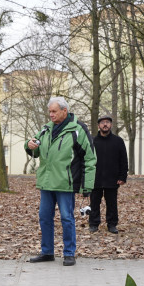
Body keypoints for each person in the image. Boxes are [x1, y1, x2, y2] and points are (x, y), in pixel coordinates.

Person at [26, 97, 95, 266]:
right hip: (47, 183)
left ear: (65, 111)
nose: (51, 115)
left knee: (66, 218)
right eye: (49, 111)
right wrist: (29, 146)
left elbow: (90, 158)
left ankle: (69, 253)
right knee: (44, 217)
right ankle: (47, 252)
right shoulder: (45, 130)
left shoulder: (78, 130)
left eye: (54, 111)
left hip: (66, 184)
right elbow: (34, 149)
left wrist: (87, 186)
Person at [88, 115, 128, 234]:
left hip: (112, 179)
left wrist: (122, 176)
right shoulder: (92, 141)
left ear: (111, 125)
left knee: (112, 203)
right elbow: (86, 160)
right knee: (94, 203)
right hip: (95, 178)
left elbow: (123, 160)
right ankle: (94, 224)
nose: (105, 124)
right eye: (102, 122)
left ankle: (112, 224)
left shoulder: (118, 141)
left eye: (107, 122)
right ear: (98, 125)